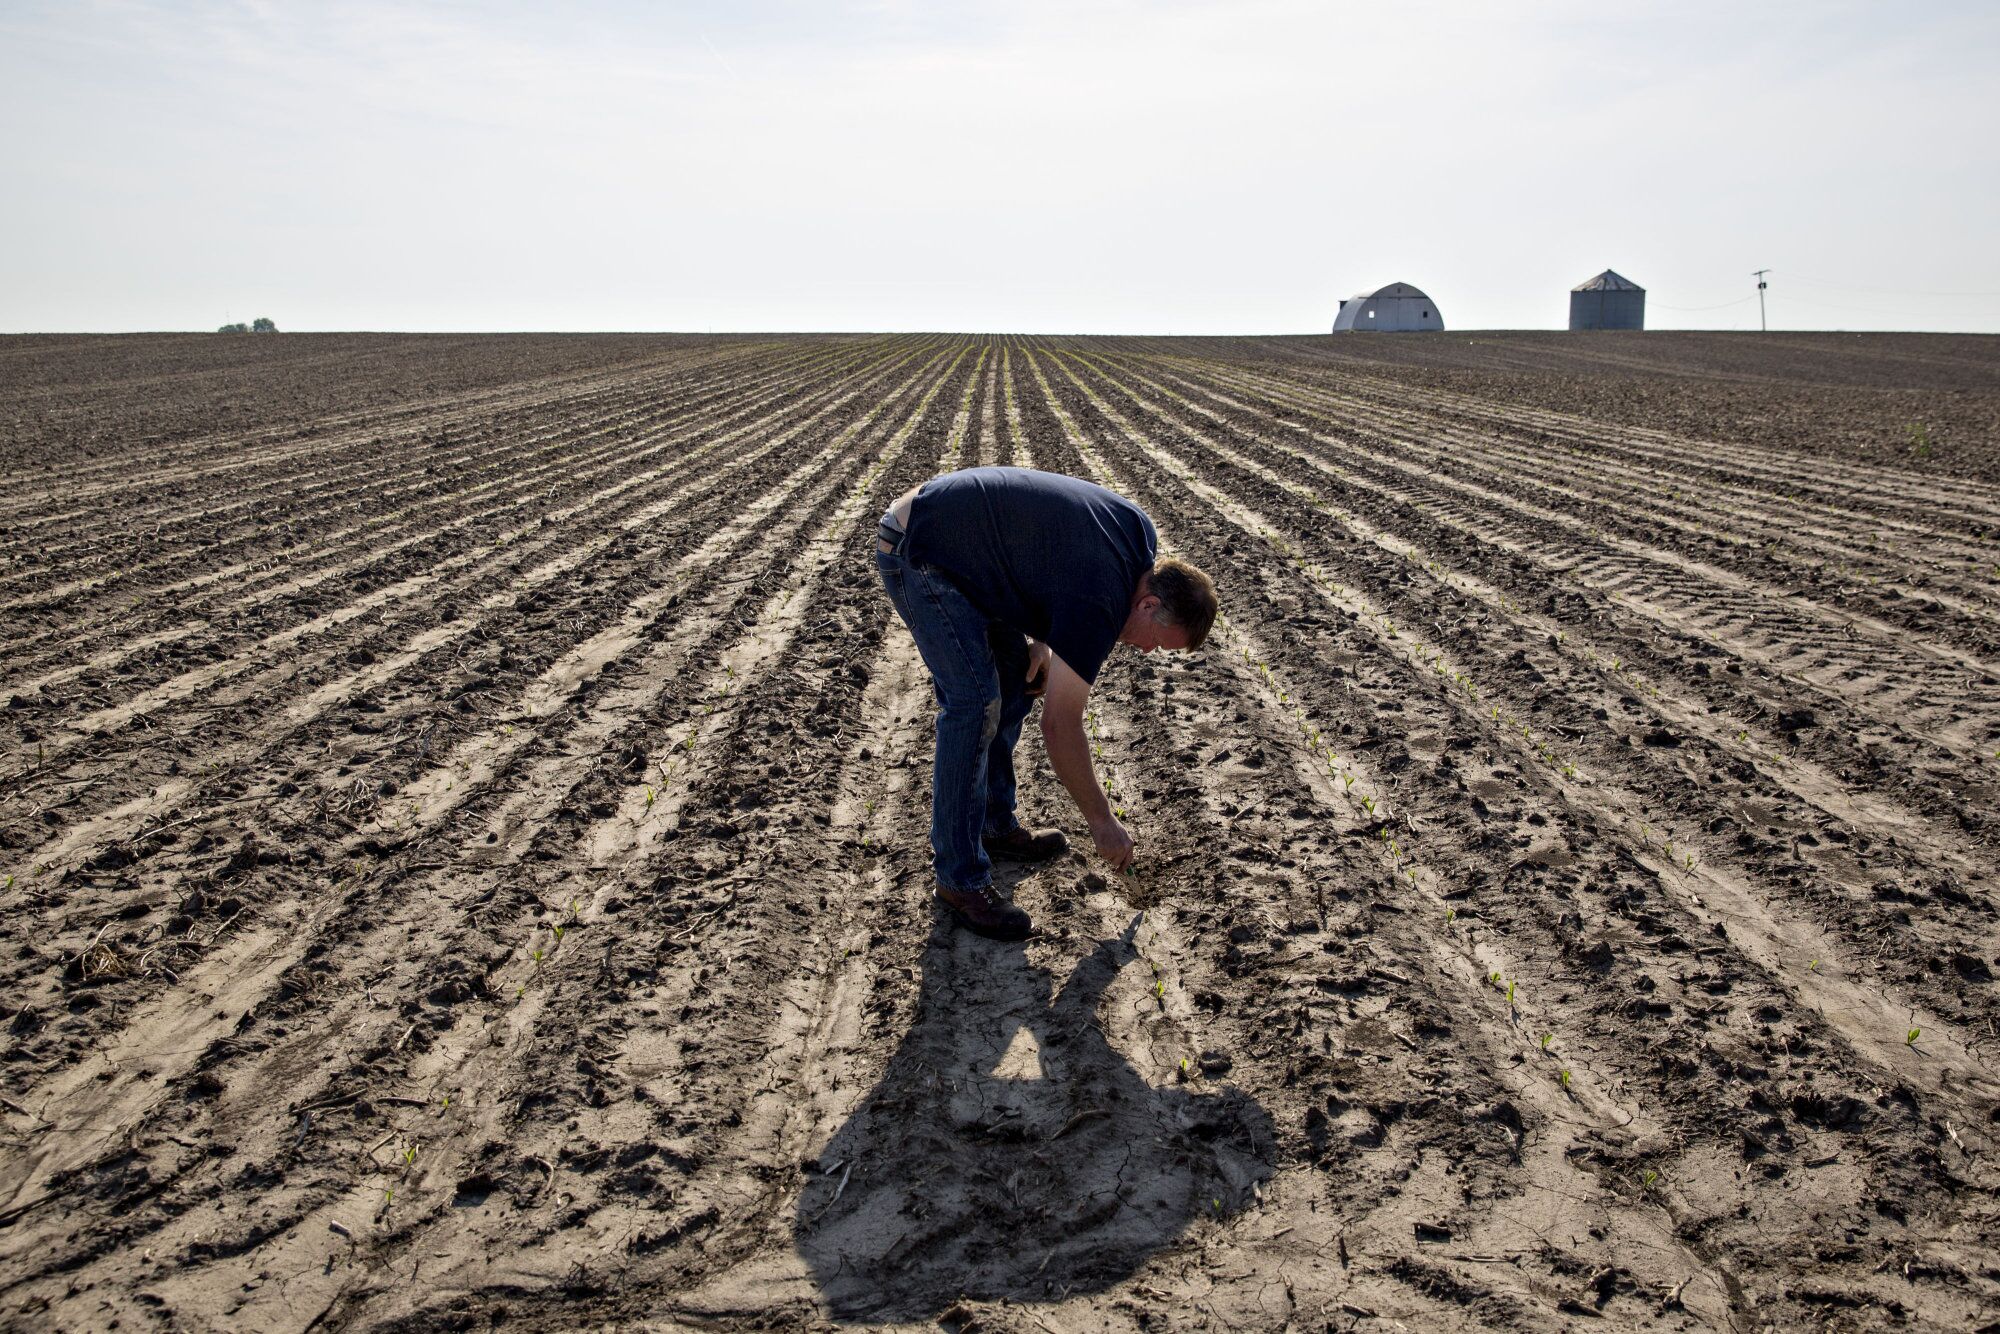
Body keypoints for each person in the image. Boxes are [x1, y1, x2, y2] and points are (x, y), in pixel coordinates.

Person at [874, 466, 1218, 941]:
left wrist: (1042, 638)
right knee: (974, 704)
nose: (1148, 652)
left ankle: (994, 826)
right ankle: (958, 881)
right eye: (1159, 642)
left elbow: (1052, 554)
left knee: (1018, 679)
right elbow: (1060, 726)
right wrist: (1102, 821)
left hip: (967, 546)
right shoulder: (1101, 601)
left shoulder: (1141, 540)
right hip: (921, 547)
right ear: (1146, 605)